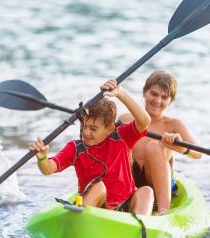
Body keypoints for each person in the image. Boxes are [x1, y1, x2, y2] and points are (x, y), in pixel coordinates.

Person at [29, 79, 154, 215]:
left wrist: (121, 94)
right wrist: (42, 158)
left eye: (93, 129)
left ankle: (141, 225)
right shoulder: (75, 148)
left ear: (110, 128)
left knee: (146, 191)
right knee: (98, 186)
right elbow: (49, 168)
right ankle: (80, 219)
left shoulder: (122, 137)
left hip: (125, 208)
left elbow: (145, 121)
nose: (86, 133)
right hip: (94, 210)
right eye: (84, 126)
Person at [119, 70, 202, 215]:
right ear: (144, 92)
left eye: (164, 97)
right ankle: (118, 200)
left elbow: (198, 153)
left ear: (171, 101)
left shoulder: (174, 124)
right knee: (121, 143)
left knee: (153, 146)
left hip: (157, 187)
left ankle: (163, 210)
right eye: (154, 94)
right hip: (129, 183)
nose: (157, 101)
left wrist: (181, 147)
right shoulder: (126, 120)